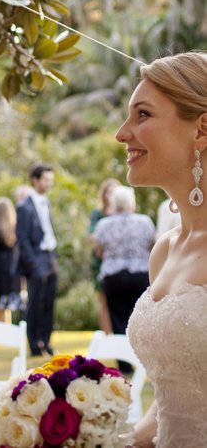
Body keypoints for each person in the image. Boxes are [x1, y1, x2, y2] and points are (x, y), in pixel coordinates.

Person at [114, 52, 207, 448]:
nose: (122, 133)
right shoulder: (164, 251)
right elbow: (172, 404)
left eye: (143, 115)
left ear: (201, 129)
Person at [92, 185, 154, 345]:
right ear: (131, 202)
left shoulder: (103, 225)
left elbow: (99, 251)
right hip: (140, 274)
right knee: (139, 316)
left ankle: (123, 363)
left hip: (113, 276)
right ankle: (140, 357)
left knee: (117, 318)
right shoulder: (144, 222)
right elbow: (153, 247)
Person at [16, 163, 58, 357]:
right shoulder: (24, 207)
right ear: (35, 180)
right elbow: (22, 238)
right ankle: (33, 344)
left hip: (50, 256)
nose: (50, 183)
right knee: (34, 303)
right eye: (46, 180)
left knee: (49, 301)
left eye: (51, 180)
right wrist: (33, 263)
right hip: (36, 259)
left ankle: (46, 341)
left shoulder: (46, 202)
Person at [88, 178, 120, 334]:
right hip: (101, 262)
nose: (111, 194)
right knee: (103, 302)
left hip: (120, 263)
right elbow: (92, 236)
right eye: (109, 191)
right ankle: (108, 336)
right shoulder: (97, 214)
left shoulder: (123, 212)